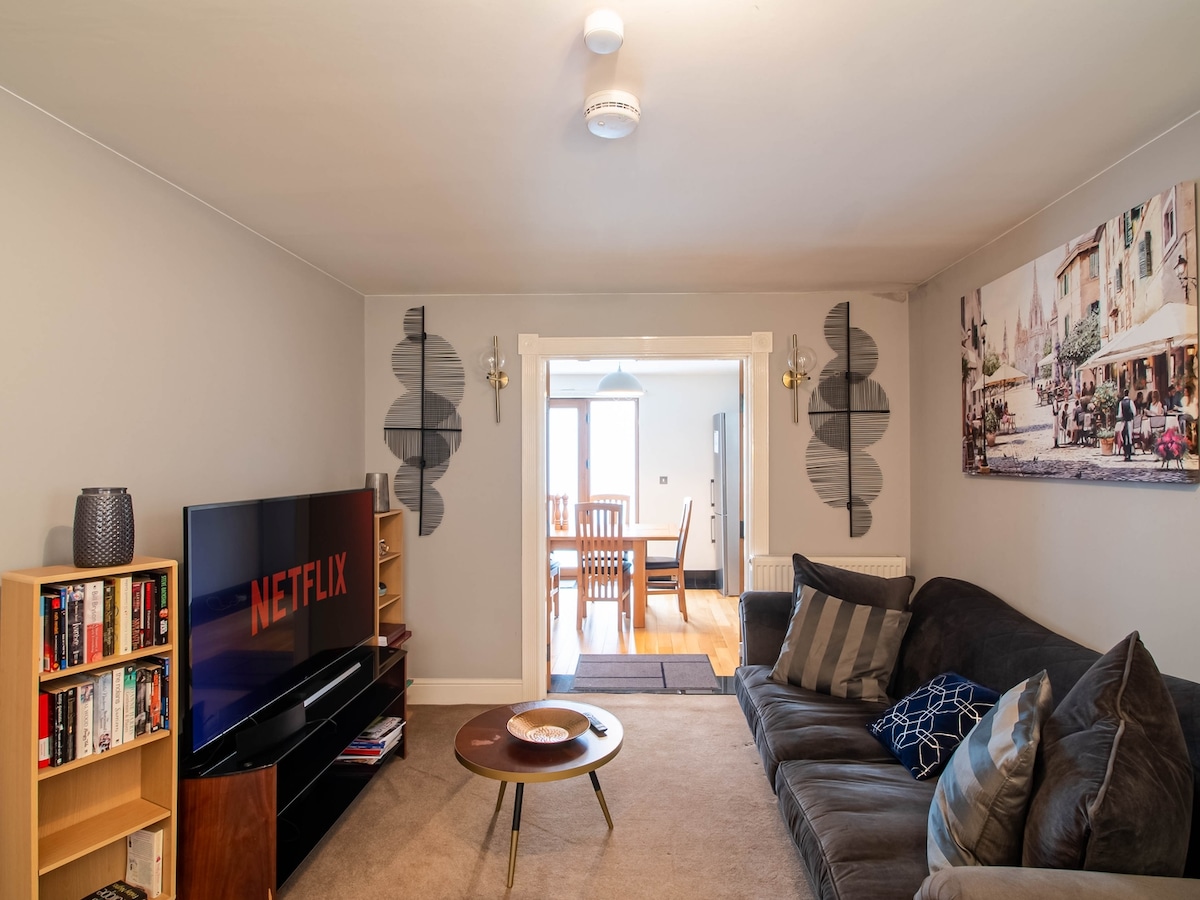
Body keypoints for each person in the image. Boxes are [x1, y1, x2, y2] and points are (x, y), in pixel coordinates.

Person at [1118, 389, 1136, 461]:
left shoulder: (1121, 403)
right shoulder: (1130, 402)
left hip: (1123, 422)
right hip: (1129, 421)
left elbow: (1120, 414)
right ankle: (1129, 453)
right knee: (1129, 437)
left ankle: (1125, 453)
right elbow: (1134, 412)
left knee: (1124, 437)